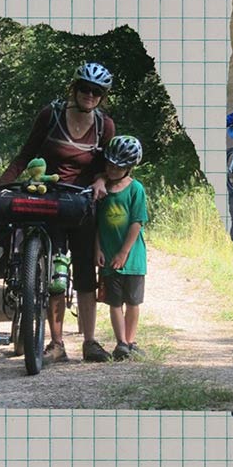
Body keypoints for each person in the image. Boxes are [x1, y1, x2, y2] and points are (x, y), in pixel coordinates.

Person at [0, 62, 116, 363]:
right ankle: (57, 343)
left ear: (102, 96)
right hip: (48, 200)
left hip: (82, 203)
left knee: (86, 272)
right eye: (85, 88)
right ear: (73, 89)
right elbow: (24, 155)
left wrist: (101, 179)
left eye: (96, 91)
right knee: (54, 275)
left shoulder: (105, 126)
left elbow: (106, 167)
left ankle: (90, 342)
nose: (90, 95)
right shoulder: (51, 116)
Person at [94, 135, 148, 361]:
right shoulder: (102, 190)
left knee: (133, 302)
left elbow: (137, 221)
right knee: (114, 302)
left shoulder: (136, 189)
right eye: (109, 165)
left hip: (133, 259)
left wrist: (124, 252)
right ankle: (121, 343)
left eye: (118, 167)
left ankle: (131, 339)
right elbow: (95, 223)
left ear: (129, 167)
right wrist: (97, 248)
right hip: (108, 257)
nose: (112, 169)